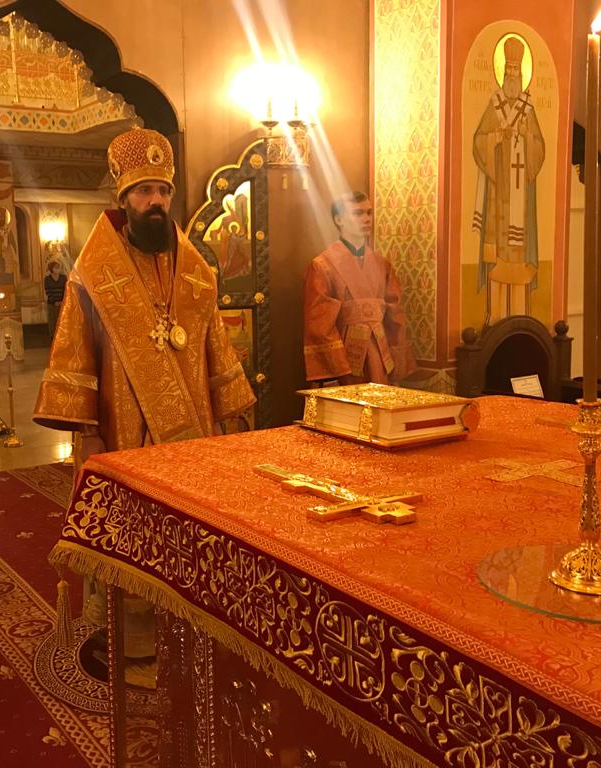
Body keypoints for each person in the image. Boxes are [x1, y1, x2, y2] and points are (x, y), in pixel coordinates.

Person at [33, 126, 255, 672]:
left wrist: (231, 420)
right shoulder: (93, 274)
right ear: (123, 198)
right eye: (143, 191)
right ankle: (131, 642)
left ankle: (187, 633)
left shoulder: (197, 270)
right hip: (123, 435)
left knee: (186, 538)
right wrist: (89, 434)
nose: (155, 201)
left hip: (193, 437)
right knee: (133, 541)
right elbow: (75, 355)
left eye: (162, 190)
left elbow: (216, 348)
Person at [303, 192, 416, 385]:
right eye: (357, 213)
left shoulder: (382, 264)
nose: (366, 219)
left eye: (369, 213)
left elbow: (395, 315)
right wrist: (338, 370)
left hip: (380, 353)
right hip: (347, 358)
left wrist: (396, 356)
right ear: (338, 219)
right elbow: (320, 324)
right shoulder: (323, 265)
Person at [472, 35, 545, 325]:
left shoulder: (529, 109)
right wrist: (496, 138)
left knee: (518, 255)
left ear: (522, 75)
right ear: (503, 74)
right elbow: (479, 141)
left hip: (520, 199)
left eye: (517, 71)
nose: (513, 76)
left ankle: (520, 319)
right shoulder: (495, 106)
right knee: (498, 256)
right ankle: (495, 318)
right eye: (509, 71)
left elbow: (539, 148)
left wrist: (526, 136)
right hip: (498, 196)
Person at [43, 261, 67, 341]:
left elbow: (66, 290)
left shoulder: (63, 278)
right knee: (52, 321)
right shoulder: (47, 279)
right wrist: (54, 302)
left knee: (62, 320)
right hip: (52, 304)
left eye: (58, 267)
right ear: (51, 269)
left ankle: (62, 337)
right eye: (56, 267)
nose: (58, 269)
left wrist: (62, 301)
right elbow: (48, 292)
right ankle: (53, 338)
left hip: (62, 303)